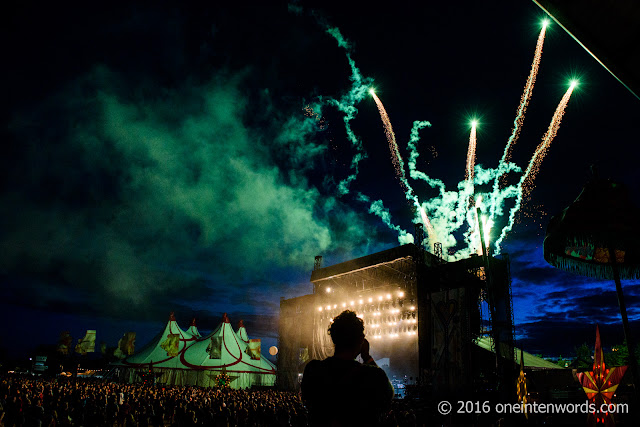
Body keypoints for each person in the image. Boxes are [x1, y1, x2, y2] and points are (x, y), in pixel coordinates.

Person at [301, 310, 394, 426]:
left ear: (333, 338)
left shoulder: (313, 369)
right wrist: (367, 357)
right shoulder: (373, 375)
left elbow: (307, 400)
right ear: (361, 340)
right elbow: (388, 397)